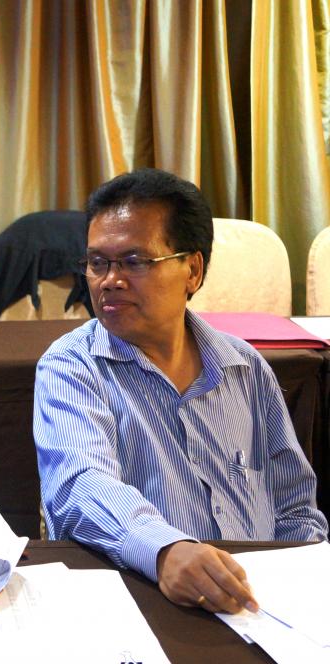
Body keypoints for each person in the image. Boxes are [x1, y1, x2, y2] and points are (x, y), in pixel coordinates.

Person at [34, 168, 328, 614]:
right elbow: (80, 485)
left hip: (258, 608)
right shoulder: (72, 367)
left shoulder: (244, 367)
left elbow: (295, 506)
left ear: (192, 270)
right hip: (140, 605)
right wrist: (164, 550)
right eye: (97, 263)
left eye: (134, 262)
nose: (110, 280)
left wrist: (301, 592)